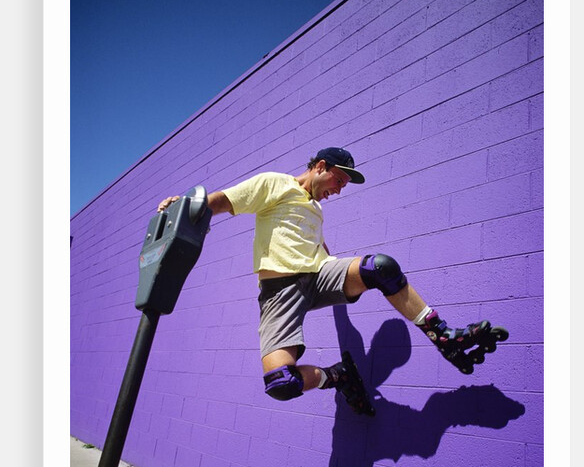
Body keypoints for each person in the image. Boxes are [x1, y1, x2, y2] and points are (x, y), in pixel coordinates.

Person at [157, 147, 500, 414]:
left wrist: (344, 270)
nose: (339, 189)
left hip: (319, 277)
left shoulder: (316, 209)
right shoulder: (275, 183)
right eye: (338, 180)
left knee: (379, 267)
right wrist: (186, 206)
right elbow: (225, 200)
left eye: (343, 186)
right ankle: (337, 376)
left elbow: (319, 248)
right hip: (280, 293)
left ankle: (444, 336)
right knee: (281, 383)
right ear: (320, 166)